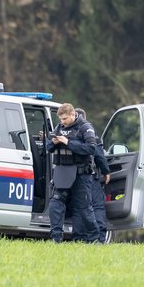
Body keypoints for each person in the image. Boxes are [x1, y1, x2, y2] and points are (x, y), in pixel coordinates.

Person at [46, 103, 101, 243]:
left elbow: (91, 149)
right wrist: (53, 142)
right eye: (61, 119)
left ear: (73, 114)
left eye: (65, 119)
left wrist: (68, 142)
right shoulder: (59, 127)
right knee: (55, 203)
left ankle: (94, 239)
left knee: (84, 208)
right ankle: (56, 238)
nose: (62, 122)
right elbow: (48, 147)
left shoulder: (85, 127)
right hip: (62, 172)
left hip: (81, 174)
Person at [72, 108, 111, 242]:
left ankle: (78, 238)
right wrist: (106, 171)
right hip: (89, 176)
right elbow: (98, 154)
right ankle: (99, 238)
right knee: (97, 206)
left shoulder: (66, 132)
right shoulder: (88, 131)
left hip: (71, 177)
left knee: (78, 207)